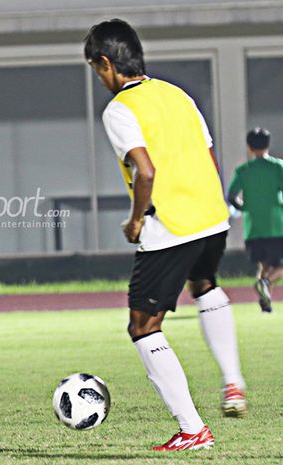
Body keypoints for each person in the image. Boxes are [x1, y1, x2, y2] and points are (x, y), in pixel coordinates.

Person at [84, 19, 247, 451]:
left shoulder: (120, 109)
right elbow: (209, 155)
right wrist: (210, 207)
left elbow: (146, 169)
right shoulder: (177, 95)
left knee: (143, 324)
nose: (99, 79)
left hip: (170, 226)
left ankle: (193, 429)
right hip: (212, 217)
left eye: (96, 70)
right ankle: (233, 383)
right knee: (205, 285)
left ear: (105, 63)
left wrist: (137, 220)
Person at [227, 128, 283, 313]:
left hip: (253, 228)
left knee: (264, 265)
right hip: (276, 225)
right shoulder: (277, 167)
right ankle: (265, 283)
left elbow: (232, 196)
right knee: (276, 268)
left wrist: (244, 207)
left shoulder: (243, 170)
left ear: (249, 147)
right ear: (268, 144)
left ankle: (265, 303)